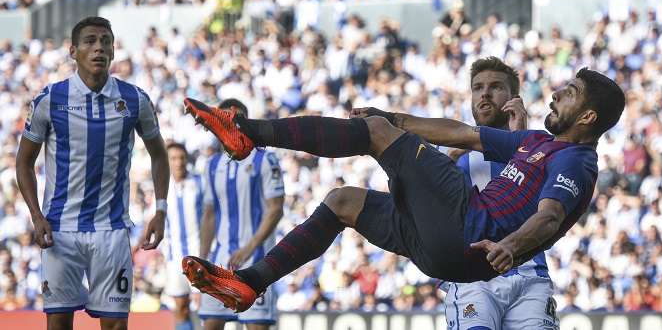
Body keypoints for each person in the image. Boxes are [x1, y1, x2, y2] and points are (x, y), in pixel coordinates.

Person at [180, 66, 625, 314]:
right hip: (446, 254)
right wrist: (396, 119)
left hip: (470, 227)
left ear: (586, 117)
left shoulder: (578, 162)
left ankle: (246, 132)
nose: (554, 97)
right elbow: (464, 135)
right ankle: (249, 283)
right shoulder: (537, 143)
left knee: (372, 132)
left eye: (568, 94)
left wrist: (511, 245)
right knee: (343, 202)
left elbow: (549, 216)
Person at [15, 16, 169, 330]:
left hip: (111, 231)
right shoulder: (49, 100)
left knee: (115, 326)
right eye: (90, 41)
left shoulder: (134, 99)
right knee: (58, 324)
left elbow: (159, 154)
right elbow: (24, 162)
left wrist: (161, 209)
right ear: (73, 50)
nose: (98, 47)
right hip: (60, 230)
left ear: (113, 50)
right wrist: (35, 215)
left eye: (105, 41)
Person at [443, 57, 559, 330]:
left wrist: (521, 139)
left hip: (529, 274)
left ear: (513, 99)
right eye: (477, 87)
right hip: (474, 277)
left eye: (495, 86)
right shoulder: (450, 149)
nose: (484, 93)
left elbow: (553, 210)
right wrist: (445, 166)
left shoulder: (542, 147)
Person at [197, 99, 285, 330]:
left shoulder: (265, 159)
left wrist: (249, 248)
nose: (229, 125)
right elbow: (209, 214)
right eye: (223, 120)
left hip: (257, 260)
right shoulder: (212, 164)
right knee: (211, 324)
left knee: (256, 325)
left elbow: (276, 209)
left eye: (235, 120)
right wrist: (202, 258)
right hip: (220, 258)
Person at [163, 142, 203, 330]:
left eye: (181, 158)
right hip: (174, 257)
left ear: (186, 160)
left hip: (200, 255)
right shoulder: (161, 187)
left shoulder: (199, 183)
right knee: (180, 307)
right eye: (173, 158)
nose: (178, 163)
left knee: (205, 307)